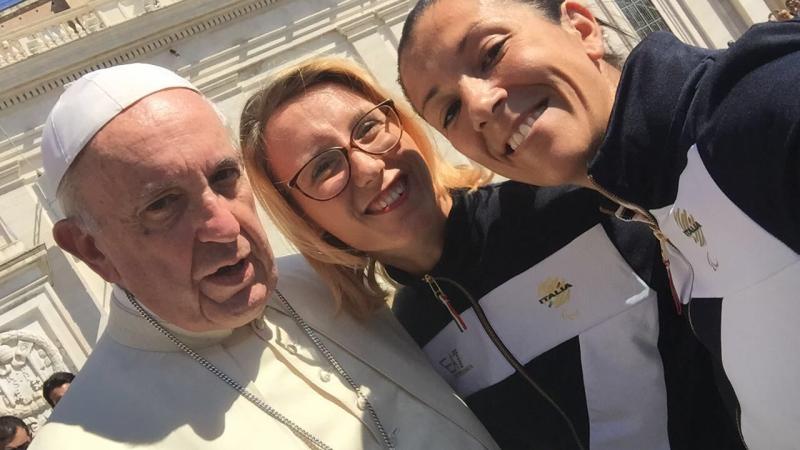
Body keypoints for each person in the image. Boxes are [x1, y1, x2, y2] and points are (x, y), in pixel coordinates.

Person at [240, 57, 742, 450]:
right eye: (324, 166)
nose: (369, 168)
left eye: (368, 127)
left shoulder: (574, 205)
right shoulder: (403, 339)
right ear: (303, 220)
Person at [30, 63, 498, 450]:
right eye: (162, 204)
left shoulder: (327, 281)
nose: (226, 226)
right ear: (92, 250)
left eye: (224, 177)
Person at [396, 1, 800, 448]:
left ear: (583, 27)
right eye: (449, 111)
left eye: (491, 53)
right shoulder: (654, 197)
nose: (478, 106)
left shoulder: (756, 114)